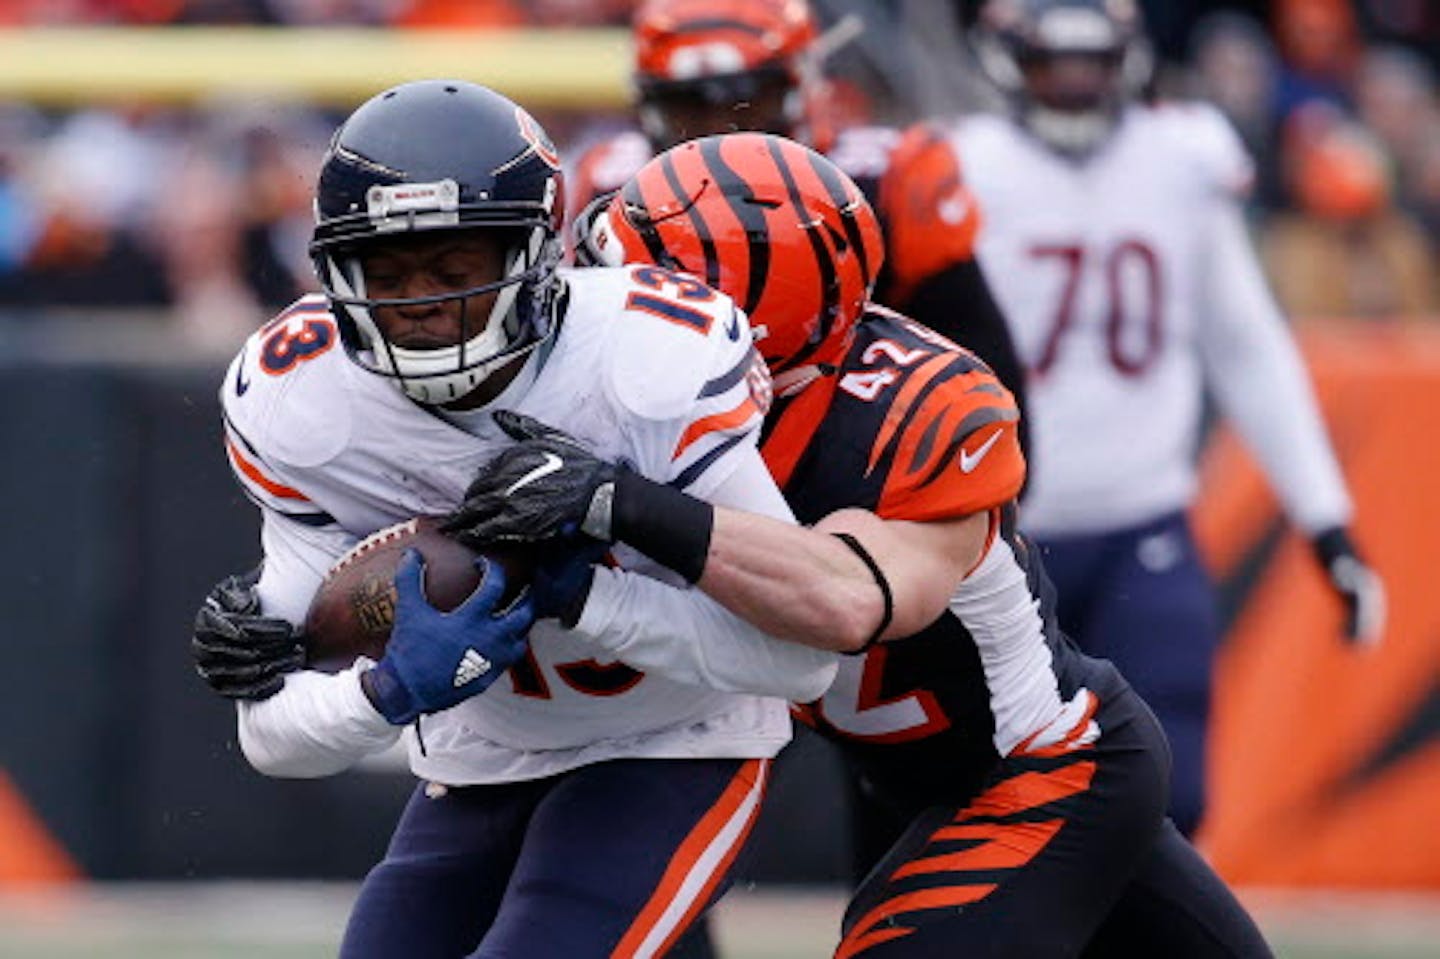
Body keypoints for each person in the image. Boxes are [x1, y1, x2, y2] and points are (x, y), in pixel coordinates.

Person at [447, 132, 1273, 957]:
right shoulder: (651, 405)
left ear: (726, 320)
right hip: (903, 781)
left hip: (1046, 773)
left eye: (640, 286)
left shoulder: (911, 409)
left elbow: (842, 600)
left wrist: (615, 500)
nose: (608, 305)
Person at [188, 79, 839, 958]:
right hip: (479, 755)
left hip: (678, 739)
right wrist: (384, 692)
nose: (417, 303)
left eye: (453, 270)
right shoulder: (303, 398)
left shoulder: (643, 358)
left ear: (533, 259)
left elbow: (799, 657)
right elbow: (271, 736)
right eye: (387, 271)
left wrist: (584, 589)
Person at [954, 0, 1386, 836]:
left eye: (1092, 65)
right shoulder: (964, 168)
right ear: (1011, 62)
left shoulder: (1182, 159)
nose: (1075, 87)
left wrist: (1326, 522)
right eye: (1055, 65)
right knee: (989, 794)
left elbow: (1247, 346)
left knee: (1171, 792)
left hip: (1140, 519)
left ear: (1129, 62)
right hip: (994, 535)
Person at [569, 0, 1029, 427]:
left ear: (806, 86)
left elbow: (973, 345)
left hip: (855, 430)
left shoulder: (890, 178)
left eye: (745, 105)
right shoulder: (612, 185)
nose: (718, 138)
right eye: (687, 110)